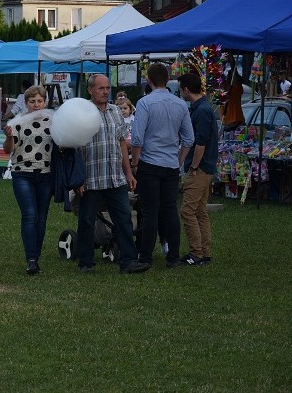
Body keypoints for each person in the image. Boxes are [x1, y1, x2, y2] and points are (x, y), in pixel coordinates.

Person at [77, 74, 149, 275]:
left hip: (114, 176)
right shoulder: (82, 113)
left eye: (108, 88)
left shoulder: (116, 111)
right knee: (86, 220)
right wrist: (78, 178)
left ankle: (128, 261)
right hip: (91, 177)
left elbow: (121, 142)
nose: (106, 91)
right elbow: (76, 146)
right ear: (90, 90)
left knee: (124, 218)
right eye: (101, 88)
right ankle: (86, 262)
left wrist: (128, 172)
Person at [130, 63, 194, 269]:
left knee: (150, 212)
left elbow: (138, 138)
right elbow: (189, 138)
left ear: (148, 80)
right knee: (170, 210)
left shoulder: (144, 103)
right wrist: (179, 160)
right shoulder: (180, 104)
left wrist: (134, 163)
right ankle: (173, 257)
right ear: (168, 80)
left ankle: (146, 257)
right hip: (170, 164)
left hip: (149, 162)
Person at [3, 85, 54, 275]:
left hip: (46, 174)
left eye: (39, 101)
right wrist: (8, 137)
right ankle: (31, 258)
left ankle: (36, 257)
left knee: (41, 218)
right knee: (30, 215)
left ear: (45, 102)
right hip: (22, 172)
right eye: (32, 101)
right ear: (26, 103)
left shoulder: (54, 120)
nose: (36, 105)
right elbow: (9, 149)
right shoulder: (18, 122)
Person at [177, 73, 217, 267]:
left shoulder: (201, 110)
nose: (180, 92)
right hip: (205, 167)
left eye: (180, 88)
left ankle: (196, 253)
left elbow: (200, 143)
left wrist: (193, 166)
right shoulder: (202, 108)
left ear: (186, 89)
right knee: (200, 211)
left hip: (199, 168)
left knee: (187, 211)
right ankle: (204, 252)